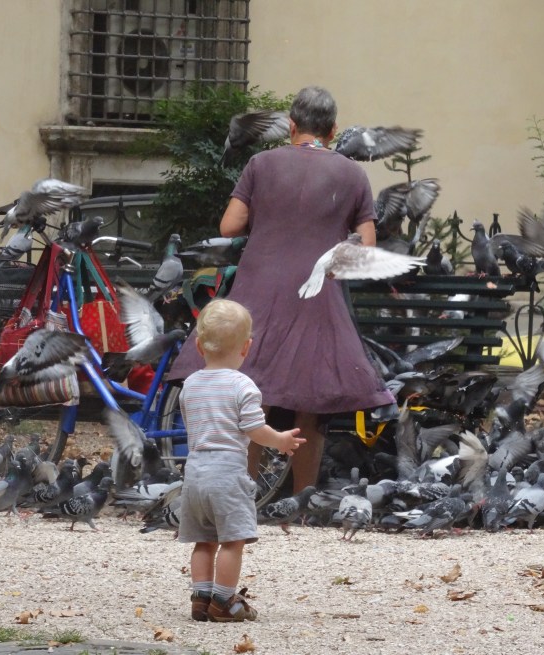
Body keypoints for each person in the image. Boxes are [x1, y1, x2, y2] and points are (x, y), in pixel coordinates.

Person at [169, 85, 395, 493]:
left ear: (291, 126)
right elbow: (366, 247)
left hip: (259, 291)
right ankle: (302, 501)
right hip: (316, 296)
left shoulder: (261, 163)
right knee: (312, 401)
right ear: (333, 130)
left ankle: (241, 493)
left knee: (254, 390)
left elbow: (229, 226)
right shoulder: (352, 174)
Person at [180, 298, 306, 622]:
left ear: (199, 346)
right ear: (247, 347)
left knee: (203, 541)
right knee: (232, 541)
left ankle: (200, 598)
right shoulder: (242, 386)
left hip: (194, 473)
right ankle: (223, 601)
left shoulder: (190, 385)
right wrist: (280, 440)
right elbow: (254, 429)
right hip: (226, 474)